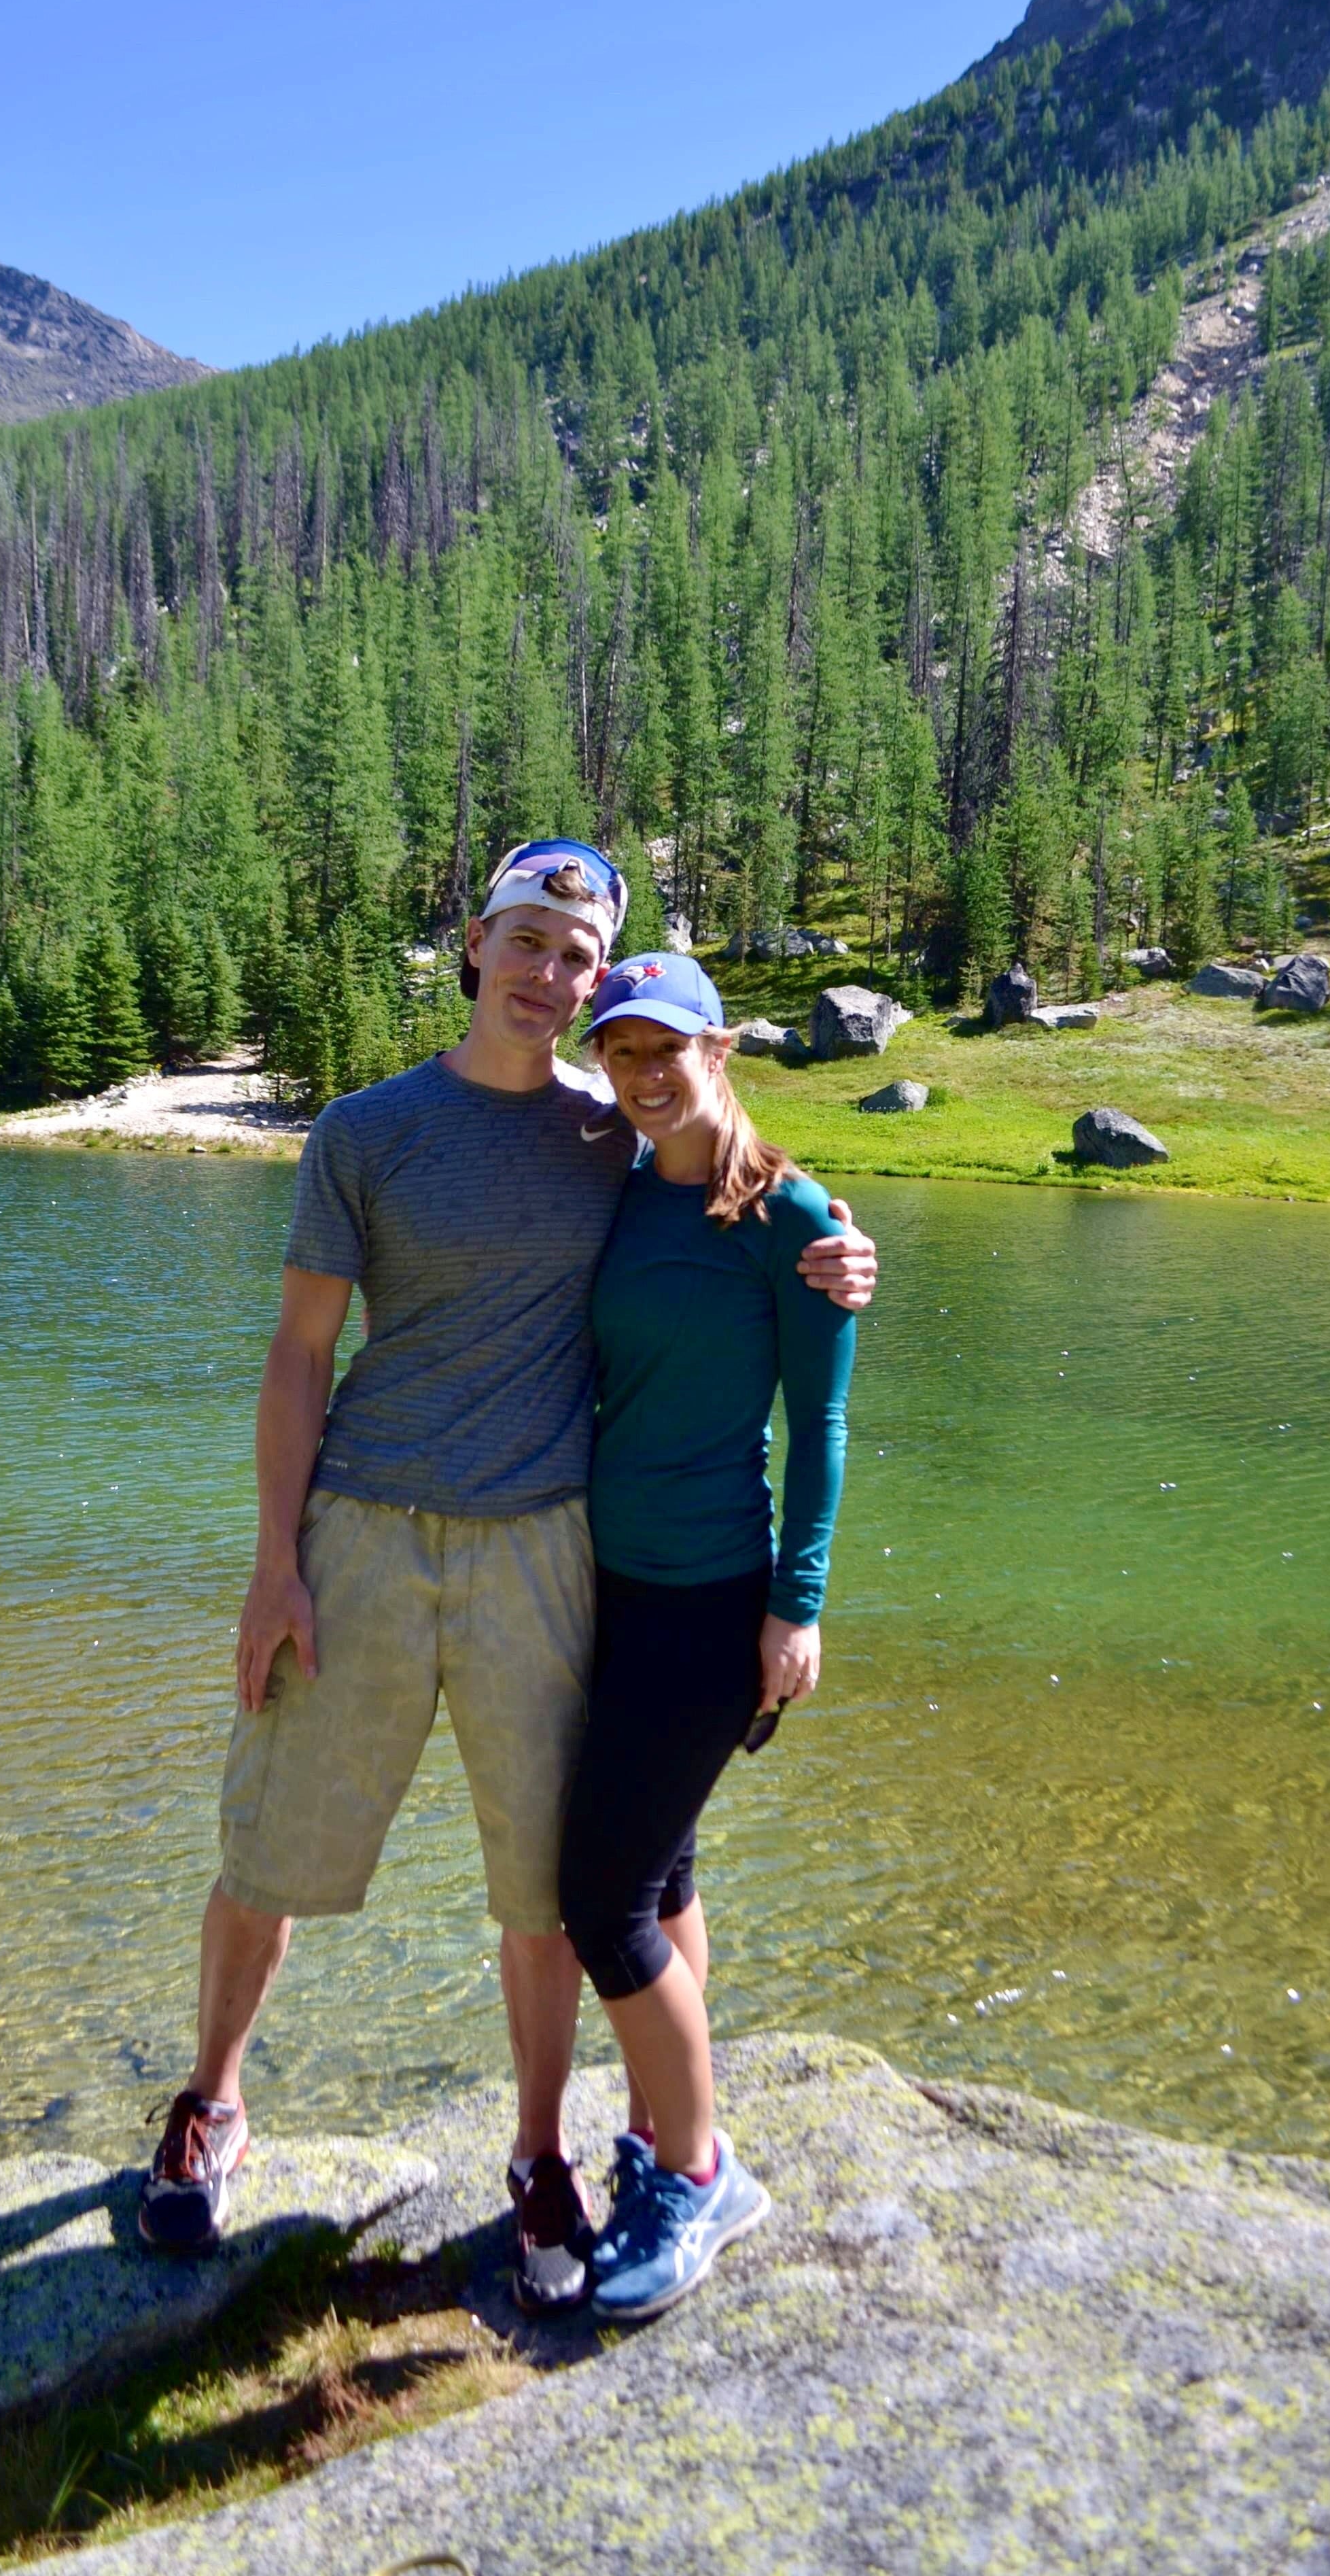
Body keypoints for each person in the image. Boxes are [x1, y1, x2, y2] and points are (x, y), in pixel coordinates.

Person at [139, 840, 879, 2312]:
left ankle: (542, 2152)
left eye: (579, 955)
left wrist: (849, 1254)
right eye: (529, 941)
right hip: (361, 1529)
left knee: (545, 1887)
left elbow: (742, 1180)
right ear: (475, 944)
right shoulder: (366, 1131)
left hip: (546, 1546)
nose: (552, 974)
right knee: (270, 1842)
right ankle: (212, 2099)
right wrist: (272, 1562)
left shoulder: (616, 1127)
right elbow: (298, 1356)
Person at [557, 950, 858, 2320]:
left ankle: (695, 2170)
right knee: (664, 1876)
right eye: (621, 1051)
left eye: (668, 1047)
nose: (645, 1072)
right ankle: (665, 2127)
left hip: (711, 1599)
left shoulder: (791, 1221)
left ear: (720, 1048)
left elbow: (823, 1430)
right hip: (607, 1588)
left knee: (598, 1898)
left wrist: (797, 1603)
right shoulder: (621, 1196)